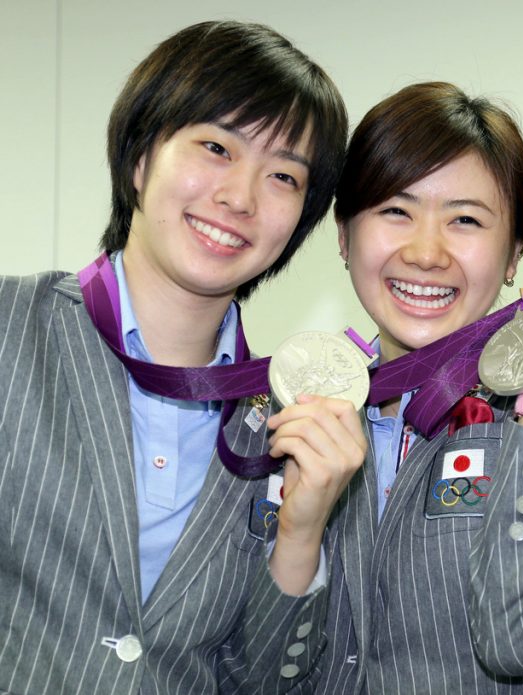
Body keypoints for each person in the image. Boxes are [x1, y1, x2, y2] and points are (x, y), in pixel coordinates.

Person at [0, 21, 364, 694]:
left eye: (283, 174)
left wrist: (303, 528)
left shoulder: (292, 419)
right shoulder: (11, 327)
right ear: (141, 158)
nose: (241, 196)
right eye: (216, 146)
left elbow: (263, 679)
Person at [315, 82, 523, 693]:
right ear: (344, 235)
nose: (426, 252)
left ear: (514, 251)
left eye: (465, 219)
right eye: (395, 211)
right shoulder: (299, 417)